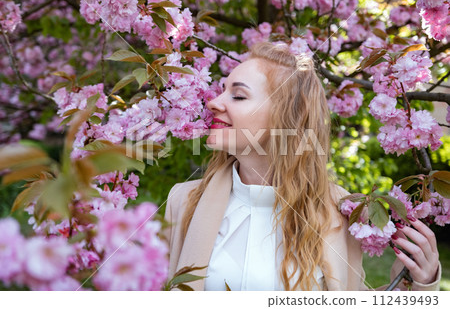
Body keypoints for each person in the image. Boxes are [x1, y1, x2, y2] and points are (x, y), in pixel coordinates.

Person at [164, 42, 441, 291]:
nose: (213, 102)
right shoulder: (183, 201)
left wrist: (415, 285)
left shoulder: (345, 212)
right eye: (222, 90)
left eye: (238, 96)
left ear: (286, 118)